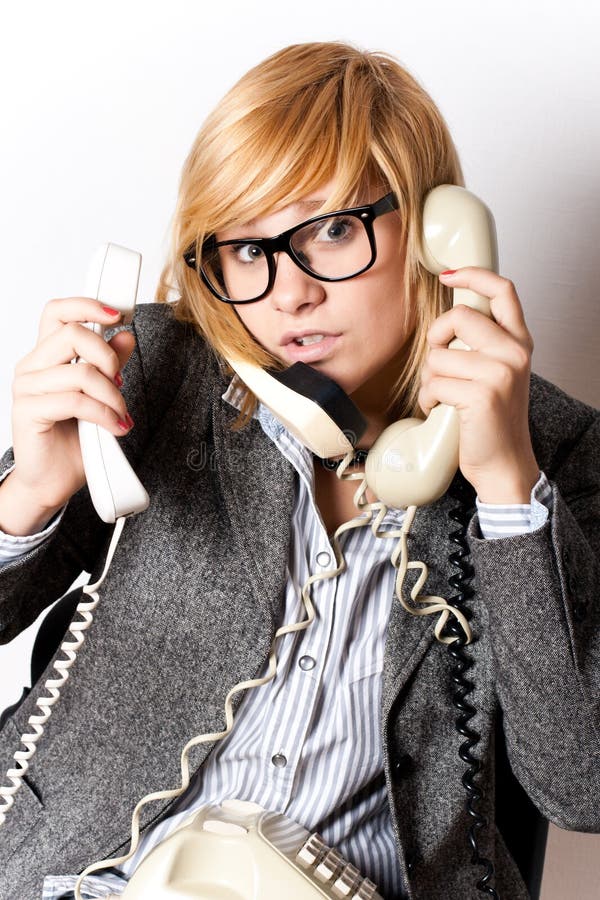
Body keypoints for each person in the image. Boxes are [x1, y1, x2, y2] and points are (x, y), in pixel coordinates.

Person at [0, 41, 598, 900]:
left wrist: (506, 485)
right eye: (246, 248)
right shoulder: (159, 365)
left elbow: (582, 788)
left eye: (331, 230)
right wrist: (30, 497)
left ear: (437, 232)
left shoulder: (559, 453)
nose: (288, 295)